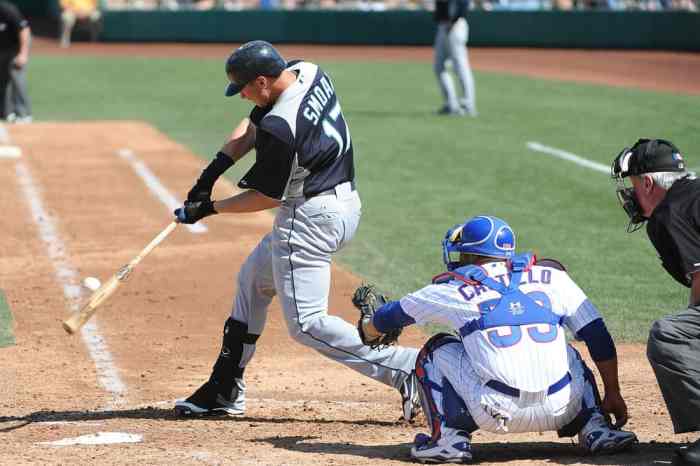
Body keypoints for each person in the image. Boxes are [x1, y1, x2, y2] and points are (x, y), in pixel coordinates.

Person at [172, 40, 420, 421]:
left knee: (308, 324)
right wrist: (213, 171)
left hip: (308, 219)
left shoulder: (281, 128)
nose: (241, 96)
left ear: (261, 81)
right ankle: (225, 386)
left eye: (243, 88)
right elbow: (255, 120)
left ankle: (410, 369)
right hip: (343, 203)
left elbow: (265, 197)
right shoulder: (308, 71)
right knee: (254, 279)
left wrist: (209, 208)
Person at [359, 215, 638, 463]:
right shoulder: (553, 278)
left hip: (494, 413)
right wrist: (612, 392)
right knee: (569, 351)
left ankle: (447, 441)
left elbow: (389, 317)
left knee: (436, 349)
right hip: (563, 407)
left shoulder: (454, 290)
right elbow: (598, 336)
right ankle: (595, 428)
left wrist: (369, 328)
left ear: (470, 255)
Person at [611, 138, 700, 466]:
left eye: (633, 184)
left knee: (672, 335)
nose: (631, 194)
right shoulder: (693, 194)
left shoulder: (670, 212)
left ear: (648, 182)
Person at [433, 0, 477, 117]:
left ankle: (468, 105)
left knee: (461, 67)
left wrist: (453, 21)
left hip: (456, 25)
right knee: (439, 67)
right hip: (443, 25)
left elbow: (463, 4)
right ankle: (451, 104)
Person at [0, 0, 31, 123]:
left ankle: (24, 114)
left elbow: (24, 30)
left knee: (17, 78)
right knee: (2, 80)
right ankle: (6, 112)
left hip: (16, 46)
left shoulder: (7, 9)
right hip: (2, 47)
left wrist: (23, 54)